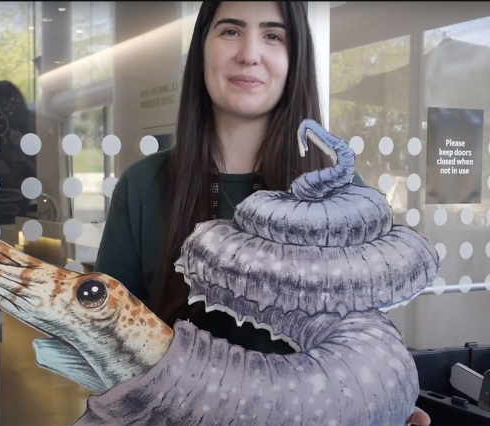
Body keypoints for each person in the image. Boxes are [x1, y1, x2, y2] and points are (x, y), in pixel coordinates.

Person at [94, 2, 430, 425]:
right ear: (202, 48)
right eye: (231, 31)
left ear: (295, 60)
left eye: (273, 36)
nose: (250, 53)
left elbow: (359, 342)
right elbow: (110, 339)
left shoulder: (343, 196)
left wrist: (381, 399)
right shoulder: (143, 185)